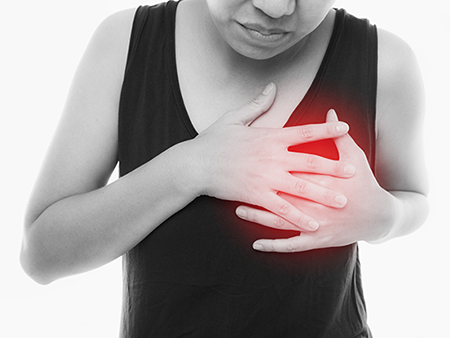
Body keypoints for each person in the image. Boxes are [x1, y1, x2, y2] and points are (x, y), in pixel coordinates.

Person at [20, 0, 429, 336]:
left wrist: (386, 218)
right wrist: (192, 167)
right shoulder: (124, 44)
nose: (275, 7)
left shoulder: (387, 63)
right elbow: (41, 255)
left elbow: (414, 199)